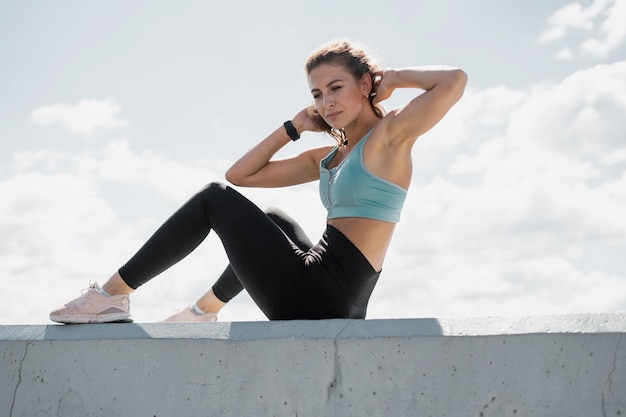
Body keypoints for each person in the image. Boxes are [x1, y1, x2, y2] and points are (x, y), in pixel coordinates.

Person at [49, 39, 467, 324]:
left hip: (324, 295)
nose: (327, 101)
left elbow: (453, 80)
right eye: (317, 93)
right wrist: (294, 126)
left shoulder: (388, 138)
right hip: (337, 293)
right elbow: (242, 175)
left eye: (336, 87)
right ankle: (200, 314)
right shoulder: (330, 157)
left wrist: (389, 77)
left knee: (214, 199)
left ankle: (110, 296)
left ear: (363, 85)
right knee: (274, 219)